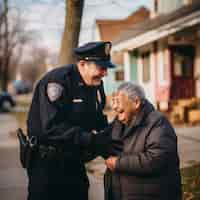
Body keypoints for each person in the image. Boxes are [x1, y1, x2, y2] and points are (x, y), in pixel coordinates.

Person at [26, 41, 122, 200]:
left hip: (74, 160)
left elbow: (97, 119)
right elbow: (51, 127)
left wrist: (110, 146)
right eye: (101, 67)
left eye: (106, 68)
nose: (105, 73)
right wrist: (91, 139)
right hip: (47, 165)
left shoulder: (94, 84)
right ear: (83, 64)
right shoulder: (58, 82)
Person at [104, 82, 182, 200]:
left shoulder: (158, 123)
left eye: (118, 101)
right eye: (114, 101)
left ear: (136, 103)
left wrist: (118, 163)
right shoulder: (119, 122)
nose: (114, 107)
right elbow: (104, 142)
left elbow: (156, 159)